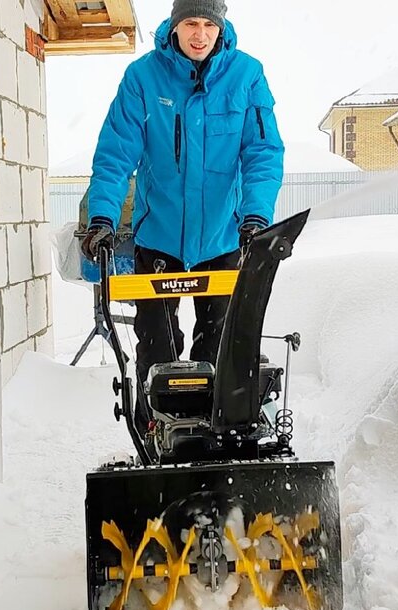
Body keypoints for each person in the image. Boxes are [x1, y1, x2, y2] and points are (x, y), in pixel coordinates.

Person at [81, 0, 285, 431]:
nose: (200, 34)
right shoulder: (143, 77)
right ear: (175, 25)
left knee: (220, 349)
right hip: (159, 238)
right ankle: (154, 432)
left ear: (221, 25)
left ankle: (213, 434)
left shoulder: (247, 76)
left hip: (223, 240)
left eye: (209, 24)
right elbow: (116, 154)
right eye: (191, 22)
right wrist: (102, 217)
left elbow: (262, 153)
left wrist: (255, 217)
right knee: (157, 350)